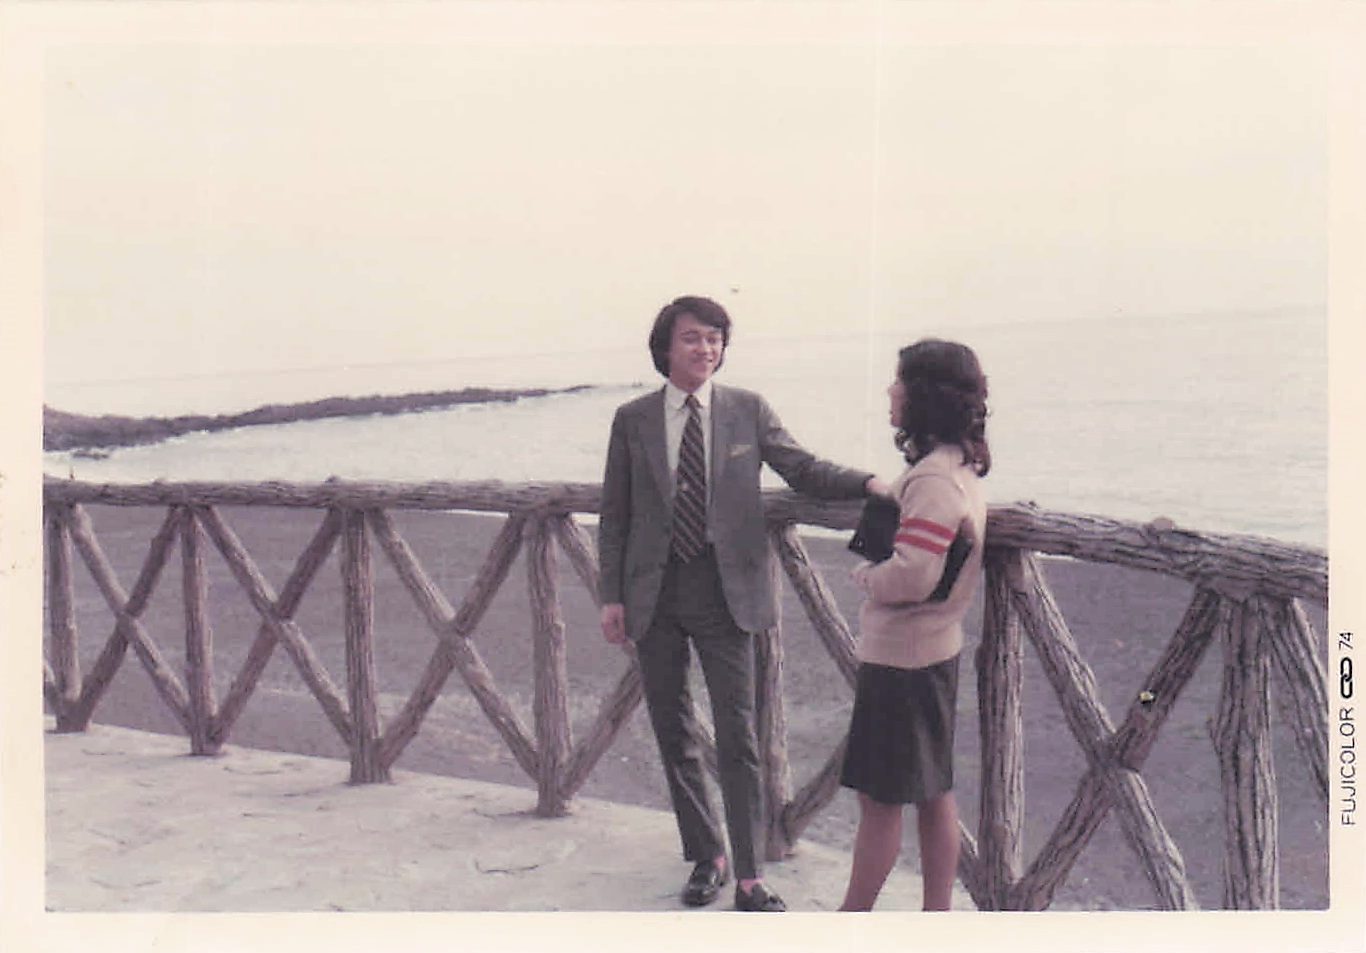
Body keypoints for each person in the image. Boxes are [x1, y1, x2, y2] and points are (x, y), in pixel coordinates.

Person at [598, 295, 890, 912]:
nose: (705, 348)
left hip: (726, 592)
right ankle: (708, 856)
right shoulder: (632, 419)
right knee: (673, 729)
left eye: (715, 338)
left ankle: (751, 876)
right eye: (692, 338)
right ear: (665, 348)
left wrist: (868, 483)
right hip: (653, 594)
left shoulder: (746, 410)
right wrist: (610, 597)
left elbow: (801, 468)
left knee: (739, 735)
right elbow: (615, 514)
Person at [836, 338, 990, 912]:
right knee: (933, 792)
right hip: (934, 651)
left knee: (879, 802)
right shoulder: (957, 468)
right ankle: (935, 918)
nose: (890, 390)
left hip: (901, 660)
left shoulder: (931, 480)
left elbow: (914, 575)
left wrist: (868, 577)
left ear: (922, 396)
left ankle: (850, 919)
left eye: (898, 381)